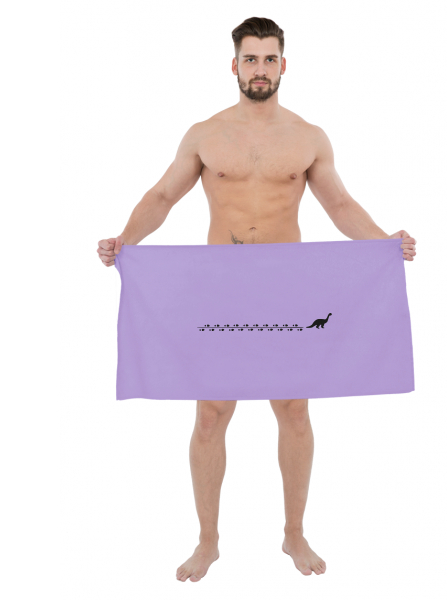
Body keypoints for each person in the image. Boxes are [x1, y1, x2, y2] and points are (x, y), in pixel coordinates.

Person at [97, 16, 417, 583]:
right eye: (251, 59)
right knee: (210, 415)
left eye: (270, 59)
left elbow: (340, 205)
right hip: (220, 289)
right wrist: (125, 240)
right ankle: (208, 541)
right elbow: (163, 195)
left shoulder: (308, 137)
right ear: (235, 65)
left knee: (293, 411)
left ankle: (294, 533)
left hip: (286, 290)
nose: (260, 69)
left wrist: (383, 243)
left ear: (283, 65)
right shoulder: (205, 134)